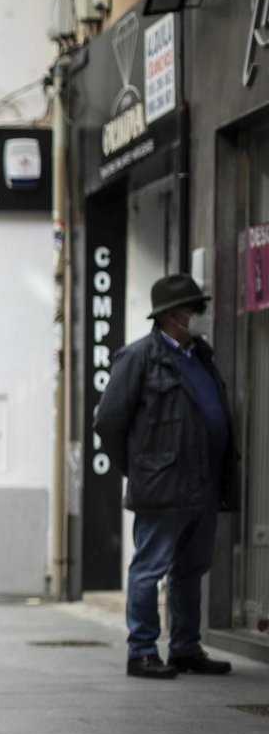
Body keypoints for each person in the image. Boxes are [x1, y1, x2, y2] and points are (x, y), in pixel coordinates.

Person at [93, 274, 237, 680]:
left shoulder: (201, 356)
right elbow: (107, 422)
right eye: (195, 307)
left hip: (204, 485)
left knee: (192, 570)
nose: (200, 315)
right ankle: (141, 651)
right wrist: (142, 468)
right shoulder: (139, 356)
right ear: (174, 313)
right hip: (163, 486)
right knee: (149, 569)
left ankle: (185, 649)